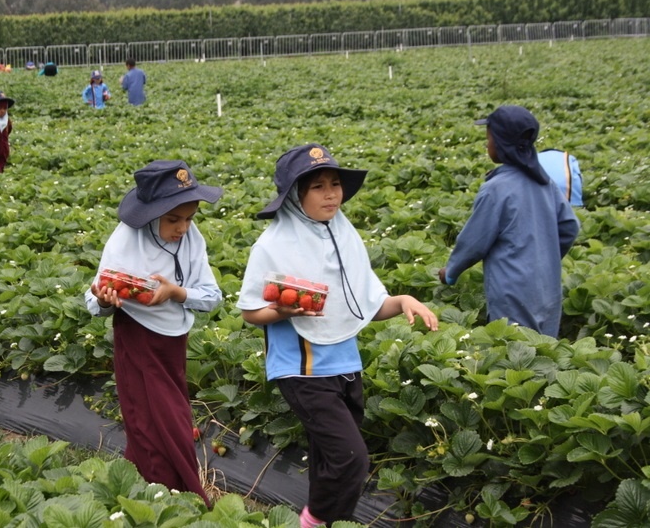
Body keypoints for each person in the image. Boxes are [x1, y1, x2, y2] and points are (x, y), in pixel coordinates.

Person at [237, 144, 439, 528]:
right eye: (317, 186)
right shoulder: (272, 244)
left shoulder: (344, 235)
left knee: (331, 458)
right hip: (302, 367)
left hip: (345, 363)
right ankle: (313, 522)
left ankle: (330, 522)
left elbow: (366, 304)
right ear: (296, 196)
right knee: (351, 458)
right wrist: (282, 309)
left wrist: (403, 300)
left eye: (335, 184)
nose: (331, 193)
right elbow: (250, 313)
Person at [84, 160, 223, 507]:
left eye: (189, 218)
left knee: (168, 417)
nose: (183, 228)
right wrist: (106, 300)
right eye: (173, 219)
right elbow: (94, 299)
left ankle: (150, 494)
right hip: (136, 337)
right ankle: (176, 497)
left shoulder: (192, 239)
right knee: (149, 420)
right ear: (149, 215)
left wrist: (176, 292)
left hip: (174, 342)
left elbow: (212, 296)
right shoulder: (125, 240)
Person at [438, 105, 580, 337]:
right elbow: (569, 226)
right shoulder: (545, 183)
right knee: (546, 352)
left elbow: (474, 242)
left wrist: (451, 272)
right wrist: (546, 258)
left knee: (515, 353)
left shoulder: (495, 189)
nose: (487, 144)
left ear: (501, 144)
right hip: (548, 288)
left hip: (513, 292)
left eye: (489, 138)